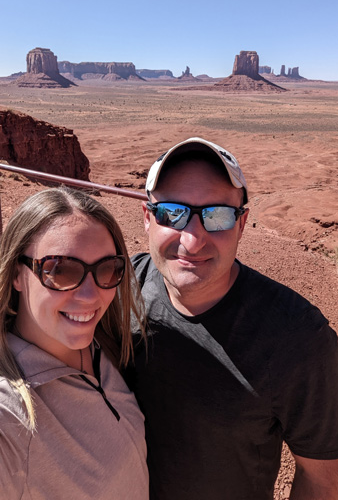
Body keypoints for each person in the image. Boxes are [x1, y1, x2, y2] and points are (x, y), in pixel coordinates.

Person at [126, 137, 338, 500]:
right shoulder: (118, 290)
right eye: (172, 213)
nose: (193, 241)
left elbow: (324, 478)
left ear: (242, 224)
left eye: (218, 216)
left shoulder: (297, 337)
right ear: (148, 218)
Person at [0, 187, 148, 499]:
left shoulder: (105, 346)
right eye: (60, 270)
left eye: (108, 268)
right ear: (16, 274)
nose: (91, 296)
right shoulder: (10, 413)